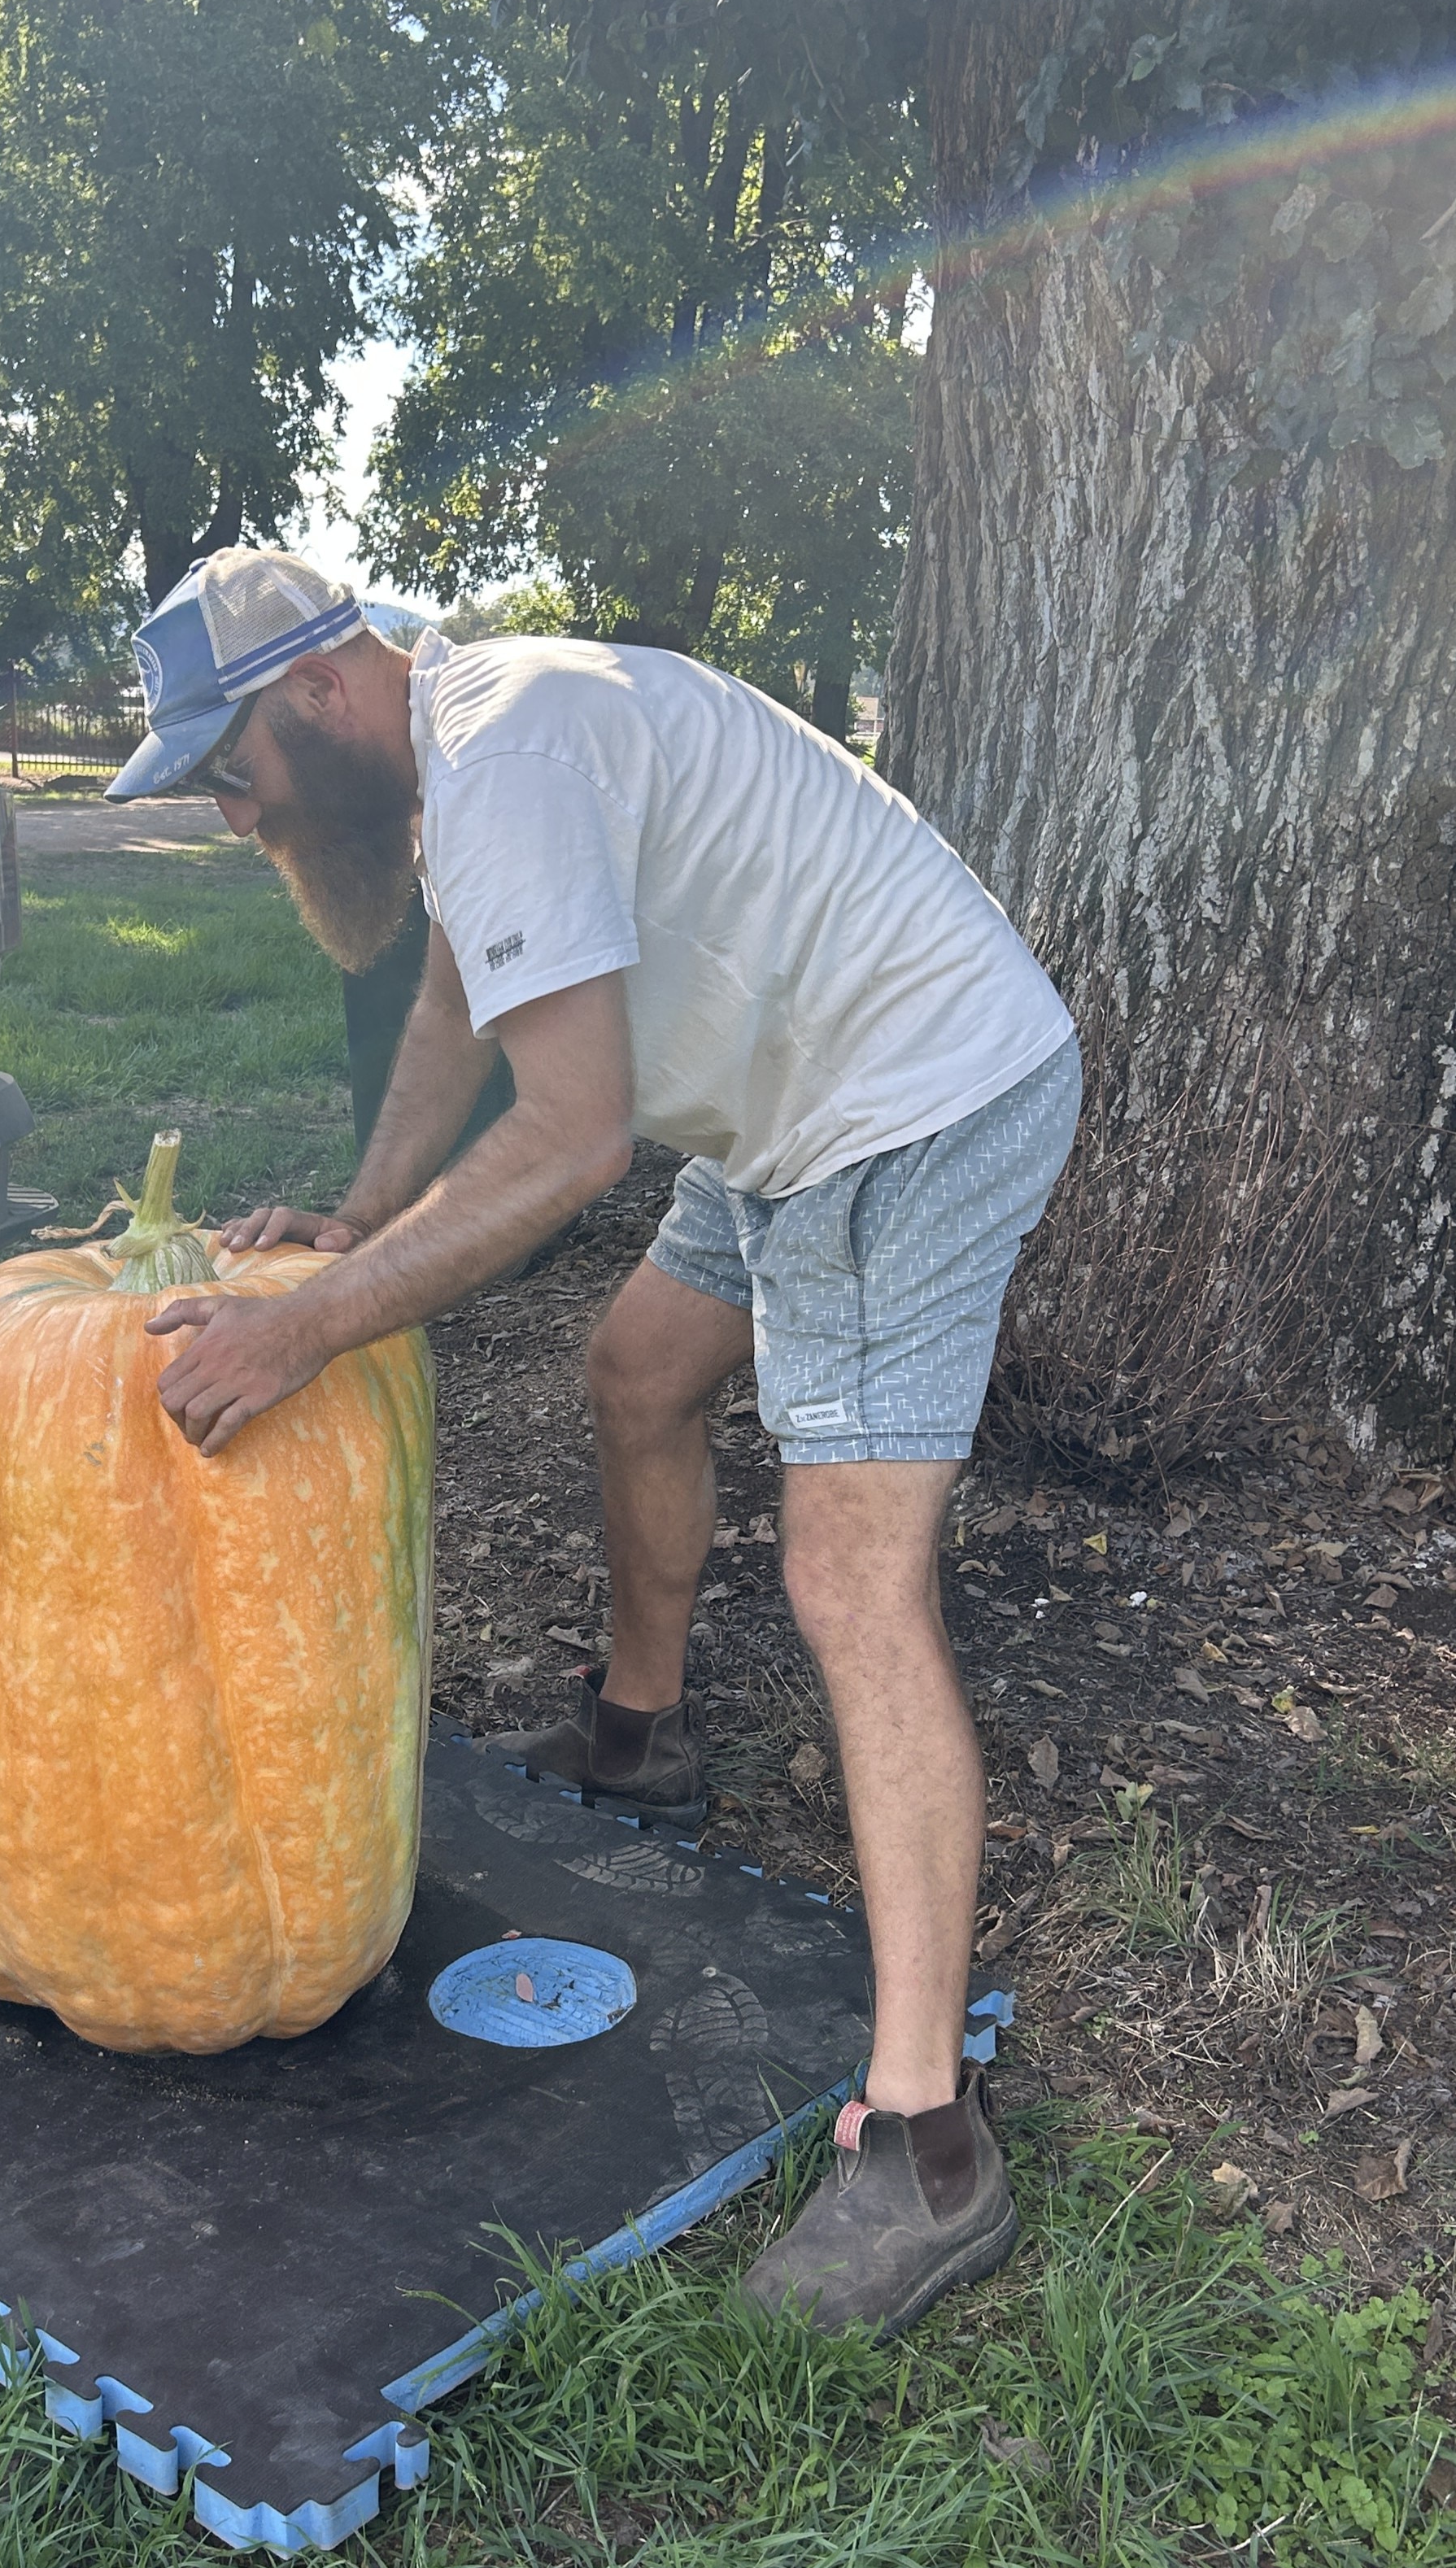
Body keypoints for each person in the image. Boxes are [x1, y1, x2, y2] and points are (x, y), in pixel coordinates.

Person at [105, 547, 1080, 2339]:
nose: (233, 813)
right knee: (639, 1369)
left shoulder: (517, 752)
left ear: (322, 688)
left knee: (849, 1579)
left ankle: (932, 2141)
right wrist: (353, 1217)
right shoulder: (471, 763)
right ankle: (638, 1742)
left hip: (907, 1096)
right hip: (784, 1090)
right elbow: (454, 1006)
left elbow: (567, 1141)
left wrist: (303, 1326)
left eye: (226, 765)